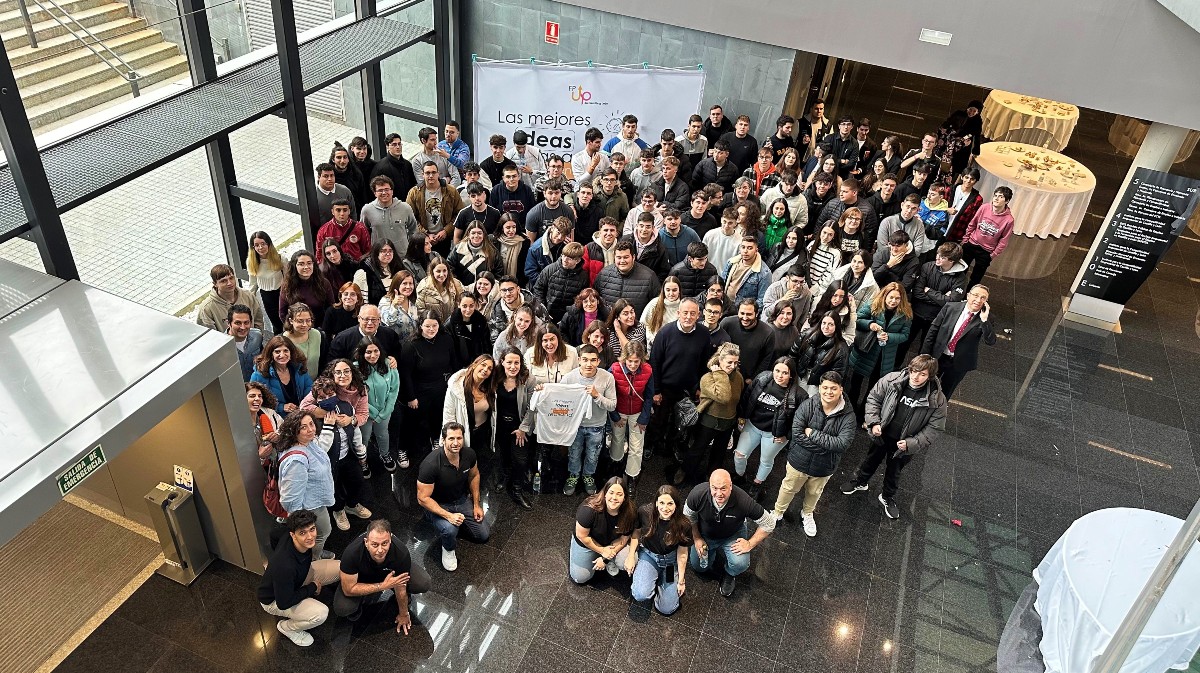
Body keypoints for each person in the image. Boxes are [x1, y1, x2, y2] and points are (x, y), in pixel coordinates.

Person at [841, 354, 947, 519]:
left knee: (894, 472)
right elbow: (874, 399)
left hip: (904, 444)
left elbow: (935, 427)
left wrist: (912, 443)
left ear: (930, 376)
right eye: (914, 371)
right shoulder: (892, 380)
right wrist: (874, 422)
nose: (915, 377)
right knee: (870, 460)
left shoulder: (937, 399)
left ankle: (887, 497)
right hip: (882, 435)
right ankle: (861, 482)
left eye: (922, 374)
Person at [768, 371, 856, 537]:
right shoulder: (808, 405)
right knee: (788, 488)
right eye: (825, 387)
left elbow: (842, 444)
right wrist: (826, 447)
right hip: (799, 461)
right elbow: (797, 433)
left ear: (841, 389)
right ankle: (778, 512)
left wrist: (813, 434)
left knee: (815, 493)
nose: (829, 392)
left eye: (833, 388)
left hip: (824, 467)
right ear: (820, 388)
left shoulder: (848, 416)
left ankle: (807, 513)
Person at [685, 469, 775, 597]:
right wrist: (697, 538)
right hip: (705, 535)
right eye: (714, 488)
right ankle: (711, 553)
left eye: (723, 488)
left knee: (740, 563)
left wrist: (750, 543)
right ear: (709, 486)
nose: (719, 493)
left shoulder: (743, 501)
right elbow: (688, 516)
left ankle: (730, 573)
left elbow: (769, 523)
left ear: (731, 486)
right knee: (699, 567)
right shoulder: (697, 494)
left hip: (732, 535)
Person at [300, 368, 372, 528]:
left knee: (357, 481)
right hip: (327, 462)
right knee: (334, 488)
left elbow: (355, 432)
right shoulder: (312, 420)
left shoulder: (346, 407)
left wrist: (361, 453)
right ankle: (338, 510)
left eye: (330, 395)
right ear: (316, 399)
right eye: (322, 397)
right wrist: (327, 426)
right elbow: (319, 450)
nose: (327, 399)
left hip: (348, 455)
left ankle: (352, 505)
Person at [258, 509, 340, 647]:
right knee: (320, 614)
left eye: (312, 529)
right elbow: (284, 602)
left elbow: (273, 534)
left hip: (298, 578)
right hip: (274, 600)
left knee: (340, 567)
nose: (310, 536)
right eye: (302, 533)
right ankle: (287, 628)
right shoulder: (285, 566)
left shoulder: (286, 534)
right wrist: (312, 587)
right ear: (293, 535)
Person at [334, 519, 431, 632]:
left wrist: (404, 614)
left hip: (389, 574)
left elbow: (400, 586)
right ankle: (358, 605)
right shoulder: (352, 553)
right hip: (361, 577)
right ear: (366, 542)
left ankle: (402, 596)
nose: (380, 550)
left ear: (390, 540)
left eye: (384, 543)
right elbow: (348, 589)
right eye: (374, 544)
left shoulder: (401, 552)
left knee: (422, 583)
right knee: (343, 607)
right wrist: (382, 586)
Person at [416, 422, 489, 571]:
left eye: (459, 438)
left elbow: (474, 475)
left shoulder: (469, 454)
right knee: (449, 530)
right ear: (443, 440)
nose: (456, 443)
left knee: (483, 535)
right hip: (438, 504)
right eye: (451, 438)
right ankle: (448, 549)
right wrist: (448, 516)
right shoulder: (430, 464)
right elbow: (422, 498)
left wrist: (476, 505)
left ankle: (456, 524)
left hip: (460, 499)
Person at [734, 357, 804, 499]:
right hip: (752, 425)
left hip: (774, 434)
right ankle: (740, 476)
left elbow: (801, 421)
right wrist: (742, 415)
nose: (780, 375)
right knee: (739, 455)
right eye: (777, 371)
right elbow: (747, 396)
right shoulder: (762, 379)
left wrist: (787, 435)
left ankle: (757, 484)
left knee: (765, 461)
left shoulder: (799, 395)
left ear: (791, 375)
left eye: (785, 373)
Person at [646, 298, 707, 454]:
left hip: (689, 389)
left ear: (698, 315)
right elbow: (654, 362)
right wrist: (656, 390)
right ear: (678, 313)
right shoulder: (665, 333)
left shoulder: (704, 334)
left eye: (692, 313)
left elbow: (704, 362)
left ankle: (674, 447)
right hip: (665, 388)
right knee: (658, 420)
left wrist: (699, 388)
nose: (688, 317)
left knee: (682, 422)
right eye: (685, 313)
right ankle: (651, 445)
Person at [275, 411, 336, 558]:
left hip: (314, 501)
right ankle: (314, 559)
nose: (310, 429)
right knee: (323, 532)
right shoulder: (297, 461)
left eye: (311, 424)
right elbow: (290, 498)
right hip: (310, 507)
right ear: (294, 431)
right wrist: (302, 522)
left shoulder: (308, 443)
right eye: (303, 427)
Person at [623, 485, 692, 614]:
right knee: (640, 594)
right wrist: (631, 555)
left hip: (670, 563)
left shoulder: (684, 524)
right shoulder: (644, 512)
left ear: (676, 505)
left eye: (670, 503)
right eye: (661, 503)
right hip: (649, 557)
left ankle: (661, 582)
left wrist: (681, 580)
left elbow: (682, 553)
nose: (665, 508)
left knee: (667, 609)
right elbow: (636, 532)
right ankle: (652, 578)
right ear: (656, 503)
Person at [559, 345, 617, 496]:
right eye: (585, 360)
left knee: (593, 455)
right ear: (579, 360)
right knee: (574, 453)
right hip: (575, 425)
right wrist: (542, 390)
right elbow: (557, 396)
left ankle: (588, 475)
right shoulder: (569, 377)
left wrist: (597, 395)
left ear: (598, 361)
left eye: (593, 360)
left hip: (597, 426)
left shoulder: (607, 377)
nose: (588, 364)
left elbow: (612, 405)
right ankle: (573, 475)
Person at [399, 312, 460, 453]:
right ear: (420, 326)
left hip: (441, 387)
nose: (431, 329)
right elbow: (405, 374)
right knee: (412, 422)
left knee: (437, 417)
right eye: (427, 326)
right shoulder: (411, 345)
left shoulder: (446, 339)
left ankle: (436, 439)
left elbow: (454, 363)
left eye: (434, 325)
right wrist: (411, 397)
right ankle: (403, 448)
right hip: (419, 390)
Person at [921, 285, 995, 399]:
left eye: (983, 298)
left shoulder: (987, 318)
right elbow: (933, 331)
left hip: (959, 363)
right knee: (926, 386)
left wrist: (984, 320)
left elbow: (990, 341)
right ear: (968, 295)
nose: (978, 300)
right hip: (939, 356)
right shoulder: (950, 307)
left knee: (945, 393)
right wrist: (924, 355)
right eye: (976, 295)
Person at [847, 282, 913, 412]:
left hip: (884, 356)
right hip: (866, 350)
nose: (893, 301)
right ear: (885, 295)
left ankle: (864, 412)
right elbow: (857, 319)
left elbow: (905, 335)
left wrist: (889, 337)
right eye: (891, 297)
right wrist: (870, 324)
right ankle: (851, 408)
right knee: (855, 383)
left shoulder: (906, 314)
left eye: (897, 298)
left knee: (875, 387)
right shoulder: (873, 304)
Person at [686, 342, 743, 485]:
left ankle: (712, 479)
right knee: (698, 450)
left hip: (728, 421)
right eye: (729, 362)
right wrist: (720, 374)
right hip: (708, 421)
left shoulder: (738, 378)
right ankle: (688, 475)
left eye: (736, 362)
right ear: (720, 360)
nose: (733, 366)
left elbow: (738, 398)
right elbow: (724, 397)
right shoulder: (707, 378)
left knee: (719, 454)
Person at [905, 242, 969, 364]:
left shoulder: (960, 279)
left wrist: (929, 291)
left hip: (936, 318)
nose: (937, 258)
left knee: (926, 350)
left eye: (943, 257)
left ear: (952, 261)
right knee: (904, 344)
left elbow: (953, 302)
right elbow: (917, 292)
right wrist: (942, 298)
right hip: (916, 312)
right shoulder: (927, 267)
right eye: (938, 254)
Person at [569, 476, 635, 583]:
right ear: (605, 493)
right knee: (580, 578)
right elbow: (582, 536)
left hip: (612, 542)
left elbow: (624, 539)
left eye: (619, 494)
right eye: (611, 493)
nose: (614, 497)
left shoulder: (630, 512)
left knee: (625, 561)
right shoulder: (588, 510)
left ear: (624, 497)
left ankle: (609, 560)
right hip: (589, 541)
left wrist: (605, 558)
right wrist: (602, 551)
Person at [493, 348, 536, 509]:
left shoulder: (529, 379)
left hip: (519, 427)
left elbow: (532, 407)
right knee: (504, 454)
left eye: (516, 362)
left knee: (520, 459)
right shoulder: (495, 377)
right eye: (509, 362)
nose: (513, 366)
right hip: (500, 426)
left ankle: (517, 489)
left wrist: (523, 428)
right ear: (502, 362)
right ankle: (506, 477)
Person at [609, 341, 653, 491]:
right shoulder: (615, 369)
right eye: (630, 361)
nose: (633, 365)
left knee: (637, 445)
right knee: (617, 439)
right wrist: (615, 416)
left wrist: (644, 418)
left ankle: (632, 475)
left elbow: (649, 396)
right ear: (624, 358)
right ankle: (616, 467)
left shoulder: (648, 370)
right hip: (619, 410)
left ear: (641, 360)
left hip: (638, 412)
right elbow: (608, 393)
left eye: (636, 361)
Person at [356, 336, 401, 472]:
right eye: (368, 352)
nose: (373, 355)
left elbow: (394, 390)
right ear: (362, 353)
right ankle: (362, 461)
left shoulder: (389, 365)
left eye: (376, 351)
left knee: (383, 434)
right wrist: (373, 413)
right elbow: (356, 395)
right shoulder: (355, 369)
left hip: (384, 411)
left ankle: (385, 454)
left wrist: (385, 412)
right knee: (364, 437)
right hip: (364, 412)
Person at [443, 354, 496, 465]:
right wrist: (453, 439)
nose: (485, 369)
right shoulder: (456, 387)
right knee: (464, 463)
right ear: (474, 365)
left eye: (489, 368)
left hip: (482, 432)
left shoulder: (489, 388)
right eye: (483, 365)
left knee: (477, 462)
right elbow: (449, 415)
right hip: (464, 433)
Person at [960, 187, 1015, 289]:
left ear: (1007, 201)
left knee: (976, 278)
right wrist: (965, 239)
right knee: (960, 270)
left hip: (986, 251)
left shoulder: (1009, 220)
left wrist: (993, 255)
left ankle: (969, 294)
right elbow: (973, 223)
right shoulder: (984, 207)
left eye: (1001, 197)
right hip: (971, 243)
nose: (996, 198)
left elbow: (1004, 240)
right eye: (995, 195)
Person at [407, 161, 464, 257]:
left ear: (438, 174)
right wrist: (425, 234)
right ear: (422, 174)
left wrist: (446, 231)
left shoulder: (451, 191)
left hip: (445, 239)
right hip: (423, 240)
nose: (431, 176)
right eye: (427, 173)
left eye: (433, 172)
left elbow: (459, 214)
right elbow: (410, 217)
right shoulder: (414, 193)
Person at [789, 311, 850, 396]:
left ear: (836, 326)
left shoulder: (841, 348)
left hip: (819, 383)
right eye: (824, 323)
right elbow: (793, 354)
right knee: (797, 397)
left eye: (830, 324)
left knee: (811, 401)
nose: (826, 327)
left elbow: (837, 374)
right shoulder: (807, 334)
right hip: (802, 373)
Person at [594, 241, 662, 316]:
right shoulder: (603, 274)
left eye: (626, 257)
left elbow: (657, 305)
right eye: (619, 257)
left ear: (633, 257)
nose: (622, 261)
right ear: (614, 257)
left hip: (636, 322)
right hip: (608, 322)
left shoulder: (649, 277)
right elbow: (596, 300)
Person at [251, 335, 313, 415]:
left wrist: (305, 405)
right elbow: (255, 401)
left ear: (291, 352)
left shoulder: (299, 368)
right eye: (277, 352)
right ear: (271, 354)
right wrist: (281, 407)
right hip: (276, 417)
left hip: (301, 413)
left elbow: (310, 390)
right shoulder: (259, 375)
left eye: (286, 351)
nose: (282, 355)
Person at [197, 264, 266, 334]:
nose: (229, 283)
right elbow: (209, 335)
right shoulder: (207, 309)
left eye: (231, 278)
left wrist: (257, 337)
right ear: (215, 284)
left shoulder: (248, 295)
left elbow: (258, 320)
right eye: (223, 281)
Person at [719, 299, 775, 385]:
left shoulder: (768, 333)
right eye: (742, 313)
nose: (745, 318)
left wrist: (753, 378)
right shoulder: (727, 323)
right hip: (723, 375)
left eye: (749, 314)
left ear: (756, 314)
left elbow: (766, 360)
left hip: (747, 380)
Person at [533, 241, 589, 323]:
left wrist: (571, 314)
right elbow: (538, 289)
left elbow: (581, 298)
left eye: (570, 258)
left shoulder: (583, 276)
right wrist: (543, 310)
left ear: (577, 261)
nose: (565, 260)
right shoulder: (550, 269)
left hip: (569, 317)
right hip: (548, 313)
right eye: (564, 255)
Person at [247, 232, 286, 335]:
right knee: (276, 324)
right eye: (256, 245)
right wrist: (249, 301)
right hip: (266, 296)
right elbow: (253, 284)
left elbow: (289, 278)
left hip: (282, 293)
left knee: (287, 321)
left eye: (263, 244)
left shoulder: (280, 259)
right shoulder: (252, 262)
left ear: (268, 244)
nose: (260, 247)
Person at [448, 221, 504, 288]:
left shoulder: (492, 252)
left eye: (479, 233)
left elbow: (499, 273)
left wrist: (491, 288)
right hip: (462, 289)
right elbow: (449, 267)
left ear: (484, 234)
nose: (476, 236)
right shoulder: (458, 249)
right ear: (468, 234)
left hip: (485, 290)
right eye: (473, 233)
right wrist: (457, 284)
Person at [721, 236, 772, 310]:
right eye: (743, 247)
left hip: (743, 310)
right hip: (725, 305)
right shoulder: (731, 262)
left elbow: (762, 301)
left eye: (750, 248)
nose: (745, 251)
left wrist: (747, 312)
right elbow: (722, 283)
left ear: (756, 250)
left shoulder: (764, 273)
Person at [316, 199, 371, 263]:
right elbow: (320, 254)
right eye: (338, 210)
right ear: (332, 211)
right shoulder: (324, 230)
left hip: (356, 265)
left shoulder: (360, 228)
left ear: (349, 211)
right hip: (334, 266)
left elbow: (367, 250)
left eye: (345, 210)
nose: (342, 213)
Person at [804, 279, 857, 346]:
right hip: (811, 341)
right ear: (830, 293)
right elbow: (809, 321)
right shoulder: (818, 302)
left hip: (831, 346)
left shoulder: (849, 312)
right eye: (835, 295)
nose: (837, 299)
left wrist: (833, 346)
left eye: (841, 296)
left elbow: (849, 337)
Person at [370, 133, 419, 205]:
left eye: (399, 144)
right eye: (394, 144)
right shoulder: (380, 167)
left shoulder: (407, 164)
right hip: (390, 206)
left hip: (408, 204)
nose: (398, 147)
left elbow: (413, 185)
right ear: (387, 146)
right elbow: (374, 190)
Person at [524, 177, 575, 242]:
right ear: (544, 194)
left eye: (557, 193)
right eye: (550, 193)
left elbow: (571, 239)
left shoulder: (568, 211)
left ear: (560, 193)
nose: (553, 196)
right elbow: (531, 242)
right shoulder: (533, 214)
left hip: (562, 246)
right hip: (542, 246)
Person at [871, 230, 921, 295]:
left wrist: (888, 274)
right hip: (877, 290)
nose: (894, 249)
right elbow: (872, 278)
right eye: (892, 245)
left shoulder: (913, 262)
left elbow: (905, 287)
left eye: (898, 246)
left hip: (897, 295)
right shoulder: (883, 253)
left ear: (906, 245)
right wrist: (888, 265)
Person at [489, 164, 537, 231]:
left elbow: (532, 212)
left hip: (523, 229)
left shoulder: (527, 190)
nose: (511, 179)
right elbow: (492, 213)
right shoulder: (496, 190)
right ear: (503, 178)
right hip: (503, 230)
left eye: (514, 176)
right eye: (508, 177)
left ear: (519, 177)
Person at [415, 257, 464, 322]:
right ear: (432, 271)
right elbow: (420, 311)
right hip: (432, 326)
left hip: (450, 325)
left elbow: (459, 306)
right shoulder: (424, 287)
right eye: (438, 271)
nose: (442, 274)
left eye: (444, 271)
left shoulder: (455, 284)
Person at [282, 303, 325, 376]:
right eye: (300, 321)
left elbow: (324, 360)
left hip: (316, 381)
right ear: (291, 321)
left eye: (308, 320)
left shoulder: (318, 335)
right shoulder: (283, 340)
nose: (304, 325)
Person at [944, 168, 984, 244]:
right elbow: (937, 205)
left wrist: (966, 237)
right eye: (966, 177)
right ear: (962, 177)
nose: (968, 181)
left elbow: (973, 220)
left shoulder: (977, 199)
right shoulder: (950, 189)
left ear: (976, 181)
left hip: (957, 233)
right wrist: (946, 209)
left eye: (972, 179)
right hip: (940, 227)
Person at [447, 294, 491, 363]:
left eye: (471, 306)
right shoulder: (450, 325)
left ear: (475, 305)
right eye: (464, 306)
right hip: (461, 365)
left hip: (479, 362)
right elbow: (450, 351)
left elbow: (486, 343)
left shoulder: (481, 320)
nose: (468, 310)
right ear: (458, 305)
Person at [378, 271, 419, 341]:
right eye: (404, 283)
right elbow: (388, 322)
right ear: (397, 284)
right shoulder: (386, 301)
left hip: (412, 344)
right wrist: (394, 306)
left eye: (410, 283)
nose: (408, 287)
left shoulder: (413, 301)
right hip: (393, 344)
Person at [228, 304, 264, 382]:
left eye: (246, 323)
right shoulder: (222, 347)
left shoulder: (257, 336)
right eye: (238, 323)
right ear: (229, 323)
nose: (243, 327)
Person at [641, 275, 681, 345]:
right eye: (668, 290)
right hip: (654, 343)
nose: (671, 293)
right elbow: (644, 323)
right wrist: (652, 338)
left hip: (675, 344)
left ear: (679, 290)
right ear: (663, 290)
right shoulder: (654, 303)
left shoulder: (683, 305)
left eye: (674, 290)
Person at [247, 381, 282, 461]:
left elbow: (285, 429)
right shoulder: (237, 424)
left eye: (260, 396)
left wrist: (277, 435)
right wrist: (260, 457)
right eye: (252, 396)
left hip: (275, 461)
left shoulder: (270, 413)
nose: (257, 399)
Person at [492, 215, 531, 285]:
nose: (511, 230)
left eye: (514, 227)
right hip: (497, 281)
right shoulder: (494, 241)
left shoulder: (525, 241)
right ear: (502, 228)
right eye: (508, 227)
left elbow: (526, 265)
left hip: (518, 281)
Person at [805, 221, 843, 290]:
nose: (825, 237)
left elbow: (830, 275)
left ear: (834, 236)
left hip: (819, 289)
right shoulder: (812, 244)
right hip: (804, 283)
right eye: (824, 232)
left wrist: (814, 289)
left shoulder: (835, 253)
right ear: (820, 232)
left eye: (830, 234)